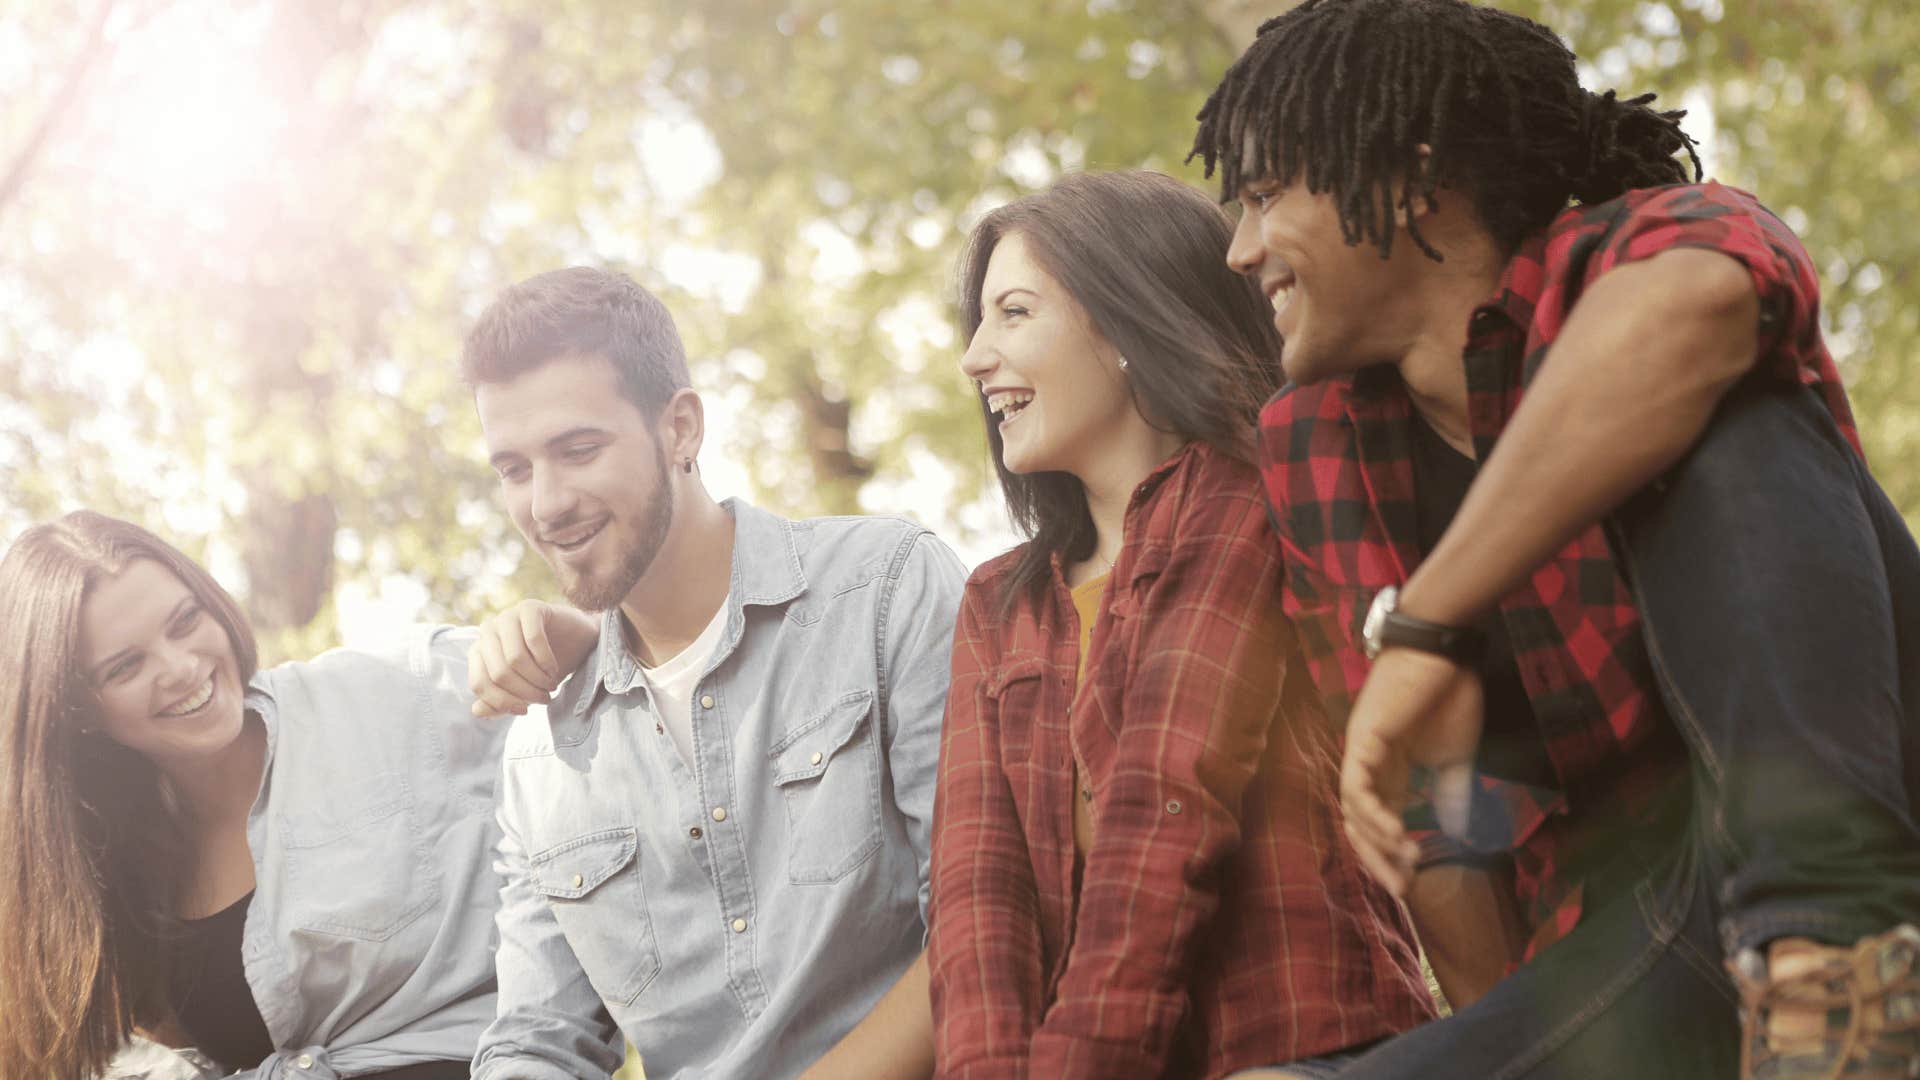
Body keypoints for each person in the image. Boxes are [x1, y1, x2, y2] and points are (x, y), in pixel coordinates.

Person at [1191, 1, 1920, 1076]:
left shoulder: (1646, 245)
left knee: (1731, 410)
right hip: (1662, 943)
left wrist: (1427, 623)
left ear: (1411, 175)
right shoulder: (1312, 447)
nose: (1242, 249)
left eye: (1261, 197)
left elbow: (1696, 315)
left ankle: (1835, 968)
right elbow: (1430, 833)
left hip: (1871, 845)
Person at [926, 170, 1435, 1080]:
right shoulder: (997, 601)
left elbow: (1168, 797)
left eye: (1013, 313)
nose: (974, 357)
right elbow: (978, 903)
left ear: (1123, 321)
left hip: (1306, 1048)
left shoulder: (1247, 494)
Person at [458, 267, 968, 1080]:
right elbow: (538, 1038)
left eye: (578, 450)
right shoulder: (540, 758)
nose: (546, 503)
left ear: (680, 429)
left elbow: (985, 921)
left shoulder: (884, 590)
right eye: (514, 470)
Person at [0, 511, 508, 1080]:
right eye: (126, 666)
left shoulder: (385, 693)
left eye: (184, 620)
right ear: (77, 709)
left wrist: (559, 634)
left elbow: (595, 696)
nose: (181, 667)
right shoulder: (104, 878)